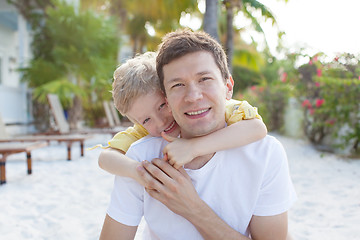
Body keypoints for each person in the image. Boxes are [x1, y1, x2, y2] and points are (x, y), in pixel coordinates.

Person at [100, 29, 297, 240]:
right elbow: (106, 157)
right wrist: (141, 172)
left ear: (228, 87)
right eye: (178, 85)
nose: (193, 96)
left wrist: (193, 208)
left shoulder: (264, 152)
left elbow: (258, 128)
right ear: (166, 95)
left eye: (204, 79)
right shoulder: (142, 155)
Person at [97, 51, 267, 186]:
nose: (160, 122)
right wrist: (137, 171)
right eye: (146, 120)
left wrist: (193, 147)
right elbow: (105, 158)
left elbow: (257, 128)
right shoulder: (141, 131)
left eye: (162, 106)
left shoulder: (214, 109)